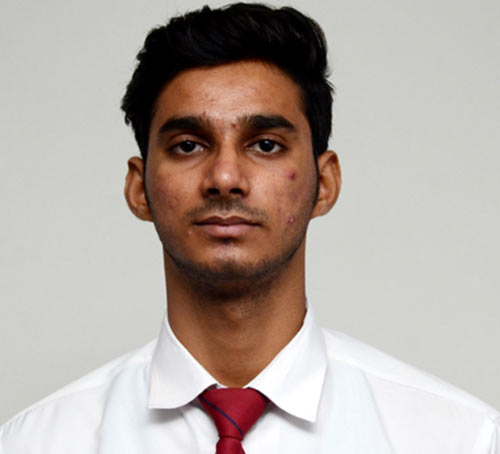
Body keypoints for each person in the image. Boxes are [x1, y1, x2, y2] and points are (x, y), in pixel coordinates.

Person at [1, 3, 498, 453]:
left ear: (324, 183)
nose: (224, 178)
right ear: (139, 188)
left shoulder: (459, 439)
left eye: (265, 145)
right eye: (188, 145)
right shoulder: (35, 443)